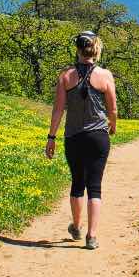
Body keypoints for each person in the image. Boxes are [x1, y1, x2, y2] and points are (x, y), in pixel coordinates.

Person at [45, 30, 117, 250]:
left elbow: (58, 110)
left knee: (77, 183)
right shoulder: (105, 75)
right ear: (95, 49)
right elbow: (112, 108)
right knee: (95, 187)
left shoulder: (66, 76)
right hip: (98, 137)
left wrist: (51, 137)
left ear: (77, 48)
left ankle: (76, 226)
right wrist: (112, 125)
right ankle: (91, 236)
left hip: (73, 137)